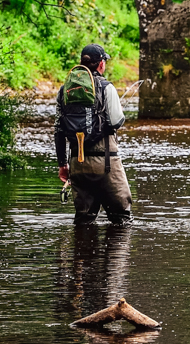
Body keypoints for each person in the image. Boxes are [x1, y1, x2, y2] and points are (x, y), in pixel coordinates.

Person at [55, 44, 132, 224]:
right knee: (122, 220)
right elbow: (116, 122)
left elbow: (58, 129)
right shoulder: (107, 87)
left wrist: (62, 164)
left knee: (84, 221)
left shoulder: (64, 90)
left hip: (77, 164)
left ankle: (82, 251)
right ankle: (116, 253)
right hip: (106, 163)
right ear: (101, 64)